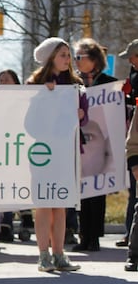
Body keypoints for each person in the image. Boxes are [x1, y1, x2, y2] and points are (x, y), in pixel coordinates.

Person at [27, 37, 85, 272]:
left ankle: (59, 254)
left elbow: (83, 116)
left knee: (60, 204)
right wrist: (45, 97)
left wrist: (81, 115)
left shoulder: (75, 84)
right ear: (51, 57)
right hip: (42, 153)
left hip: (66, 152)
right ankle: (43, 255)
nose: (67, 59)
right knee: (43, 203)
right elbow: (29, 121)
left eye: (68, 55)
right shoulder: (35, 84)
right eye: (62, 55)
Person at [72, 38, 118, 252]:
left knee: (97, 190)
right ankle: (83, 235)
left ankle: (94, 237)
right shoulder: (73, 83)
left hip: (99, 144)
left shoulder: (110, 84)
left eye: (79, 57)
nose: (76, 61)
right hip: (77, 142)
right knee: (81, 192)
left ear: (94, 60)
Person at [0, 69, 34, 243]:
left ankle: (26, 217)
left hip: (20, 145)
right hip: (2, 148)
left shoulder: (24, 100)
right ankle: (5, 224)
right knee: (5, 185)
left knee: (21, 183)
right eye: (0, 80)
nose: (3, 83)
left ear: (15, 82)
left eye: (6, 79)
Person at [120, 39, 138, 250]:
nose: (130, 61)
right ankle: (132, 243)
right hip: (135, 144)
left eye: (132, 57)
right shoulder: (133, 77)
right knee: (135, 195)